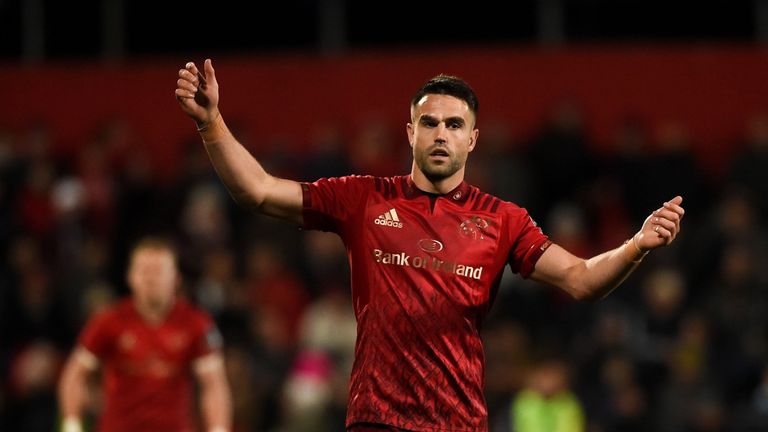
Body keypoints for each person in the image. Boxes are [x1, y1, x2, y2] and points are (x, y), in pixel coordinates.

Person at [174, 59, 685, 431]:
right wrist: (210, 122)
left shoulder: (502, 220)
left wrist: (636, 245)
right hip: (376, 420)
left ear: (472, 140)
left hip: (459, 421)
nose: (441, 133)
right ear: (411, 132)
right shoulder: (364, 199)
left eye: (454, 124)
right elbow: (258, 191)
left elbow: (581, 279)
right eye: (430, 122)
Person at [57, 236, 232, 432]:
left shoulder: (197, 324)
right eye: (144, 270)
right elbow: (75, 376)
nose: (151, 278)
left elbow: (214, 386)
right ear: (130, 276)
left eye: (158, 271)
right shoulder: (108, 322)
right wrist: (72, 425)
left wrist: (218, 429)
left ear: (176, 278)